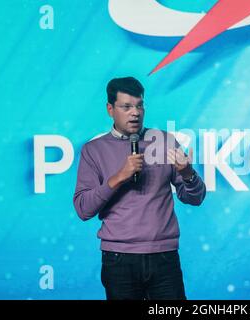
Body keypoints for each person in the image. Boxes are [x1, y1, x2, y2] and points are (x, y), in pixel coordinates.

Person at [73, 77, 206, 300]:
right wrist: (118, 177)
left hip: (163, 256)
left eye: (139, 105)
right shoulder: (93, 150)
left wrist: (187, 173)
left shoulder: (164, 141)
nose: (135, 113)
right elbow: (83, 209)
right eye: (126, 107)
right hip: (119, 259)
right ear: (110, 109)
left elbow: (196, 198)